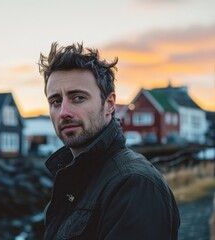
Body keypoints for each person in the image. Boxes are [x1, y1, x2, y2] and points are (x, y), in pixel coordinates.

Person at [38, 42, 180, 240]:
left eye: (78, 98)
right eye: (56, 101)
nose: (64, 112)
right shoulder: (76, 179)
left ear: (109, 104)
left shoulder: (133, 184)